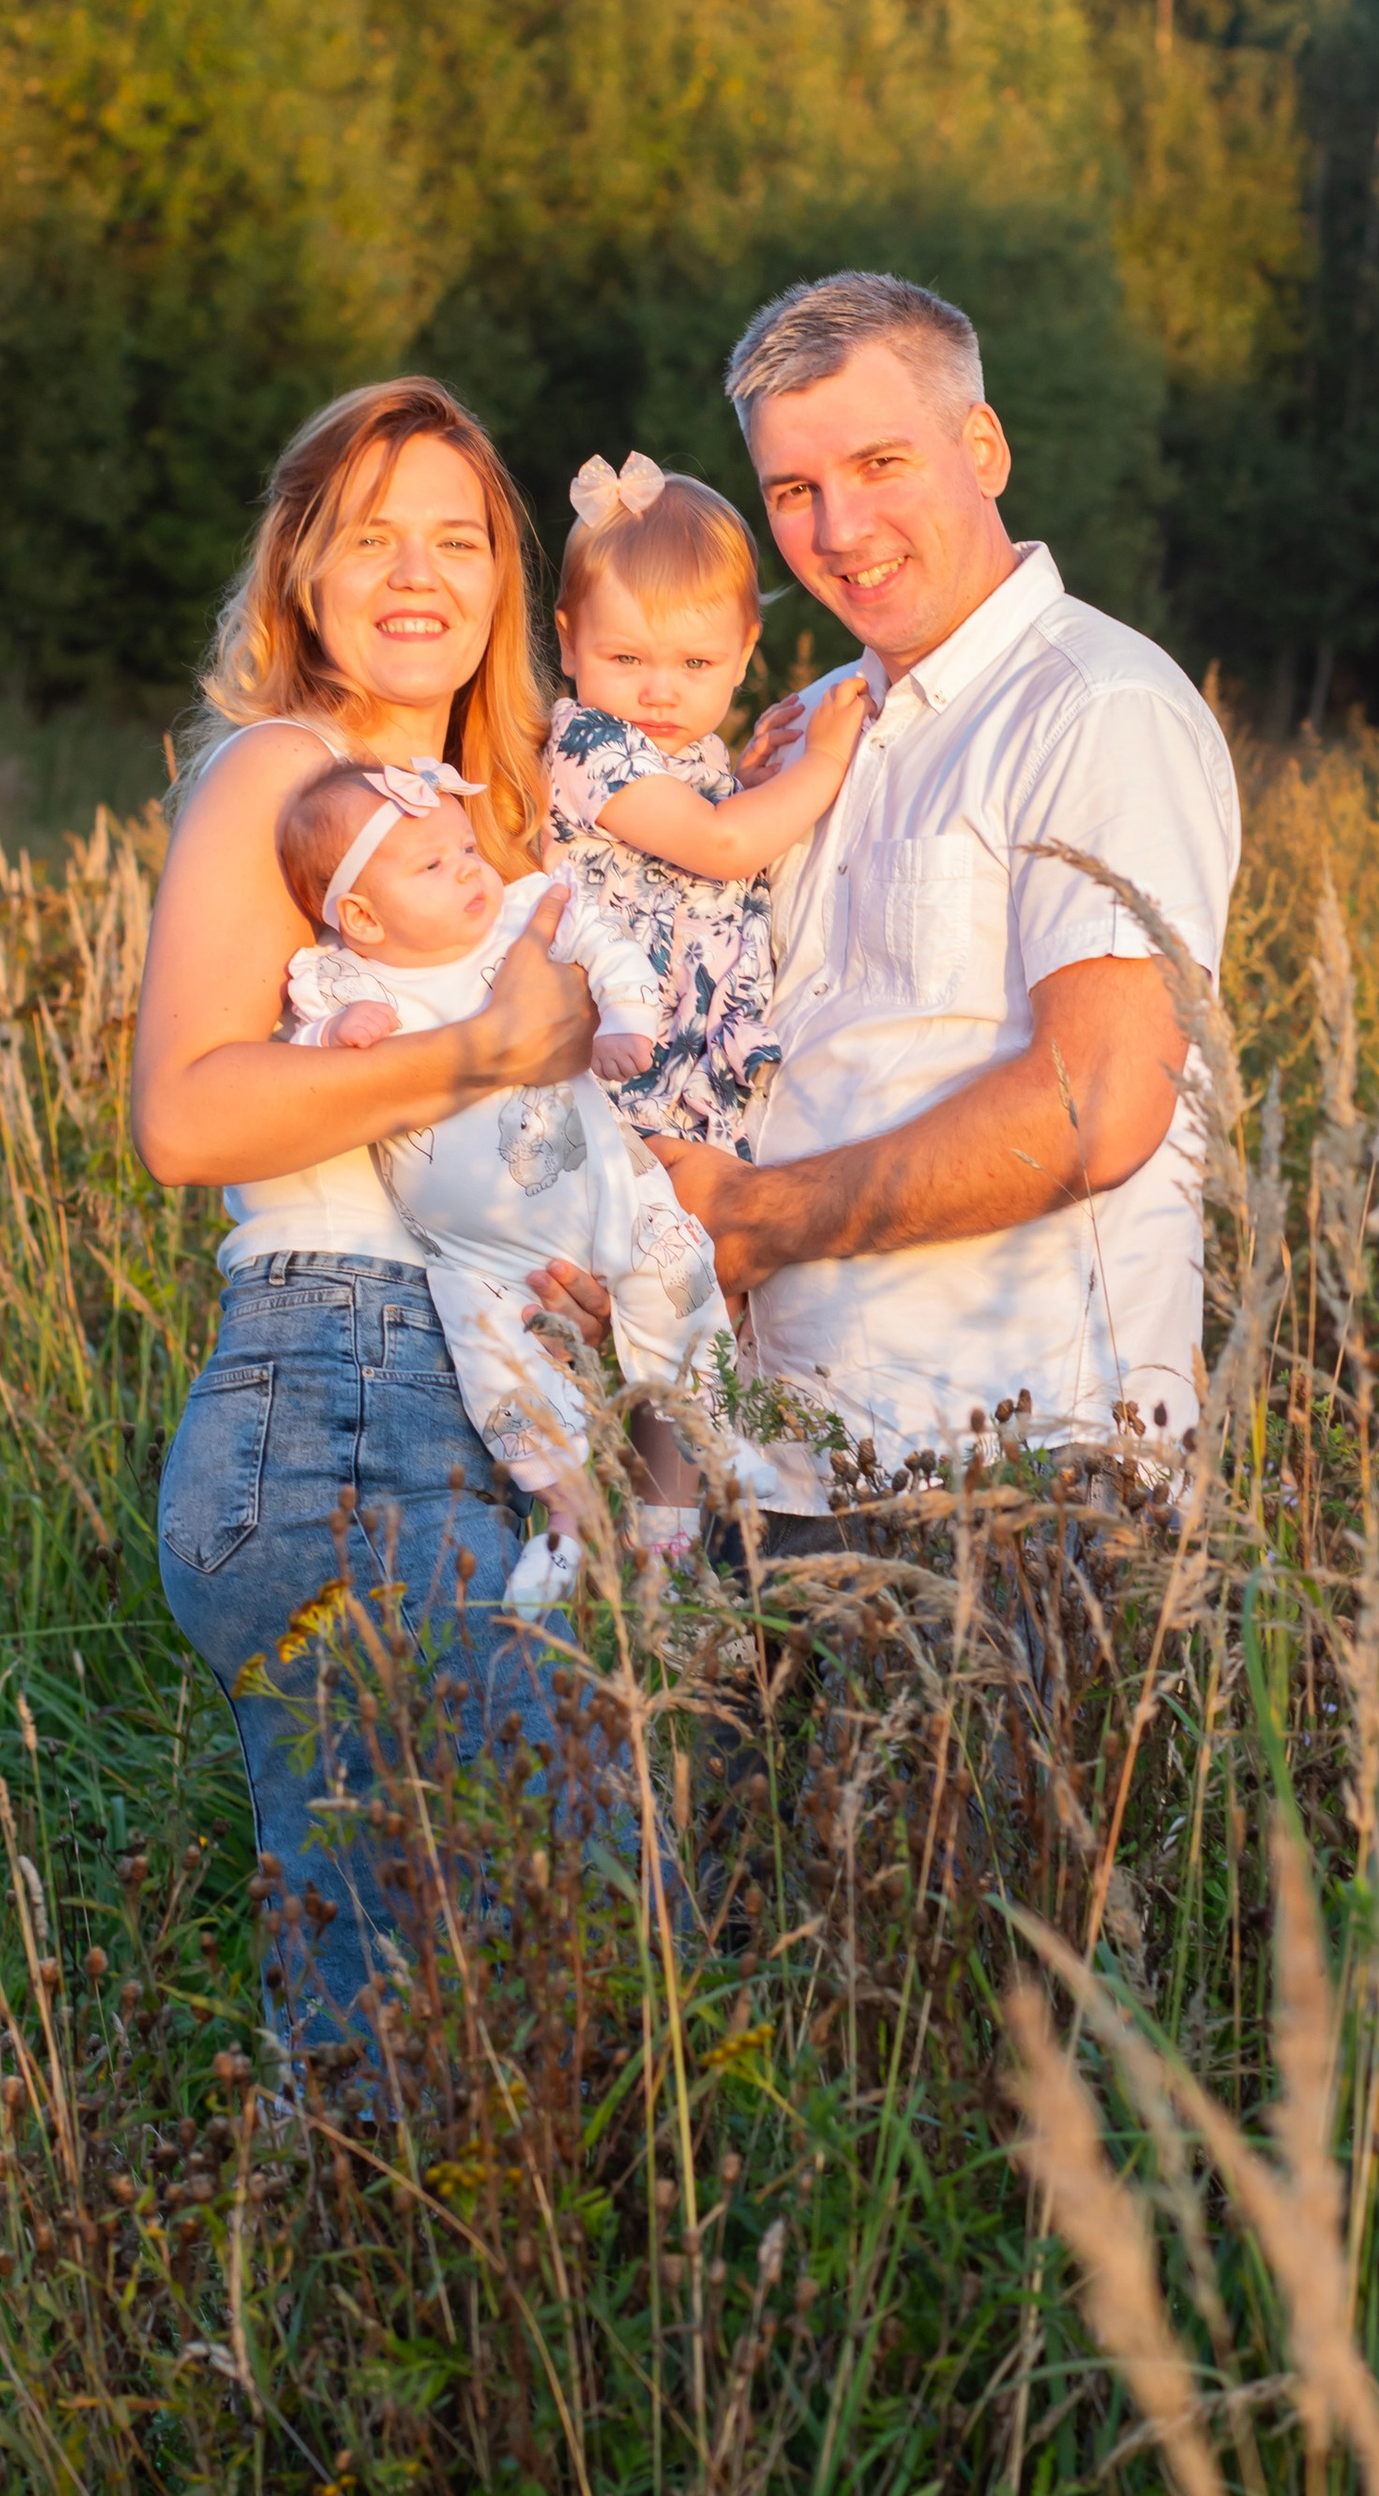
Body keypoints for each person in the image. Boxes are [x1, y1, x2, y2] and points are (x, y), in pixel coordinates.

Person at [578, 271, 1241, 1510]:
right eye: (794, 490)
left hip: (1008, 1483)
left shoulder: (1094, 707)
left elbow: (1096, 1100)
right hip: (773, 1470)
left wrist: (749, 1218)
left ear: (980, 446)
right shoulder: (816, 729)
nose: (839, 529)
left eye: (880, 463)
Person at [134, 378, 600, 2031]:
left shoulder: (506, 811)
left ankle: (441, 2281)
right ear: (305, 578)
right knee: (395, 1996)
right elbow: (185, 1113)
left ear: (502, 581)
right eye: (370, 536)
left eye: (458, 538)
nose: (417, 573)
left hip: (482, 1394)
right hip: (343, 1388)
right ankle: (334, 2274)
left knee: (543, 1947)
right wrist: (483, 1051)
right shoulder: (284, 768)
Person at [273, 752, 744, 1607]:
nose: (468, 870)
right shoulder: (348, 977)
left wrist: (626, 1020)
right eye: (433, 865)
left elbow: (608, 947)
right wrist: (337, 1029)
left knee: (676, 1303)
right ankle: (567, 1521)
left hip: (606, 1193)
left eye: (465, 848)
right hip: (474, 1255)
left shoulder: (523, 917)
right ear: (361, 916)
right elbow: (290, 1066)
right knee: (497, 1370)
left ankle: (671, 1540)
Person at [541, 449, 870, 1157]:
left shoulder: (689, 760)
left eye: (696, 664)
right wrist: (820, 763)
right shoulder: (585, 742)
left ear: (745, 653)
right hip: (616, 1070)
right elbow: (718, 845)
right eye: (627, 659)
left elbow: (697, 833)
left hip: (688, 1072)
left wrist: (742, 789)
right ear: (569, 643)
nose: (661, 690)